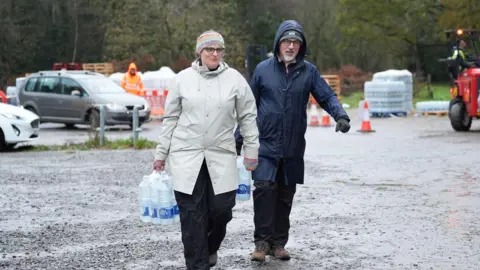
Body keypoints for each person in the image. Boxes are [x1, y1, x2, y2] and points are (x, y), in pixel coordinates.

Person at [234, 20, 351, 262]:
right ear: (278, 43)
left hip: (292, 145)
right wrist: (238, 137)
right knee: (265, 190)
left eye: (296, 42)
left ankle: (279, 243)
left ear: (301, 46)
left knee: (286, 194)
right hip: (265, 143)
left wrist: (340, 115)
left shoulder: (309, 71)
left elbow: (326, 96)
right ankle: (261, 243)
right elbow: (248, 107)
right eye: (287, 41)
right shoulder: (262, 70)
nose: (291, 46)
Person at [153, 30, 259, 270]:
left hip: (221, 155)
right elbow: (170, 119)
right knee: (192, 216)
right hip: (185, 156)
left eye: (218, 49)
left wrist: (251, 151)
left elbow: (248, 117)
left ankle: (210, 247)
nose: (214, 53)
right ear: (199, 52)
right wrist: (161, 154)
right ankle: (197, 264)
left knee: (221, 210)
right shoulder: (182, 79)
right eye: (209, 49)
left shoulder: (235, 79)